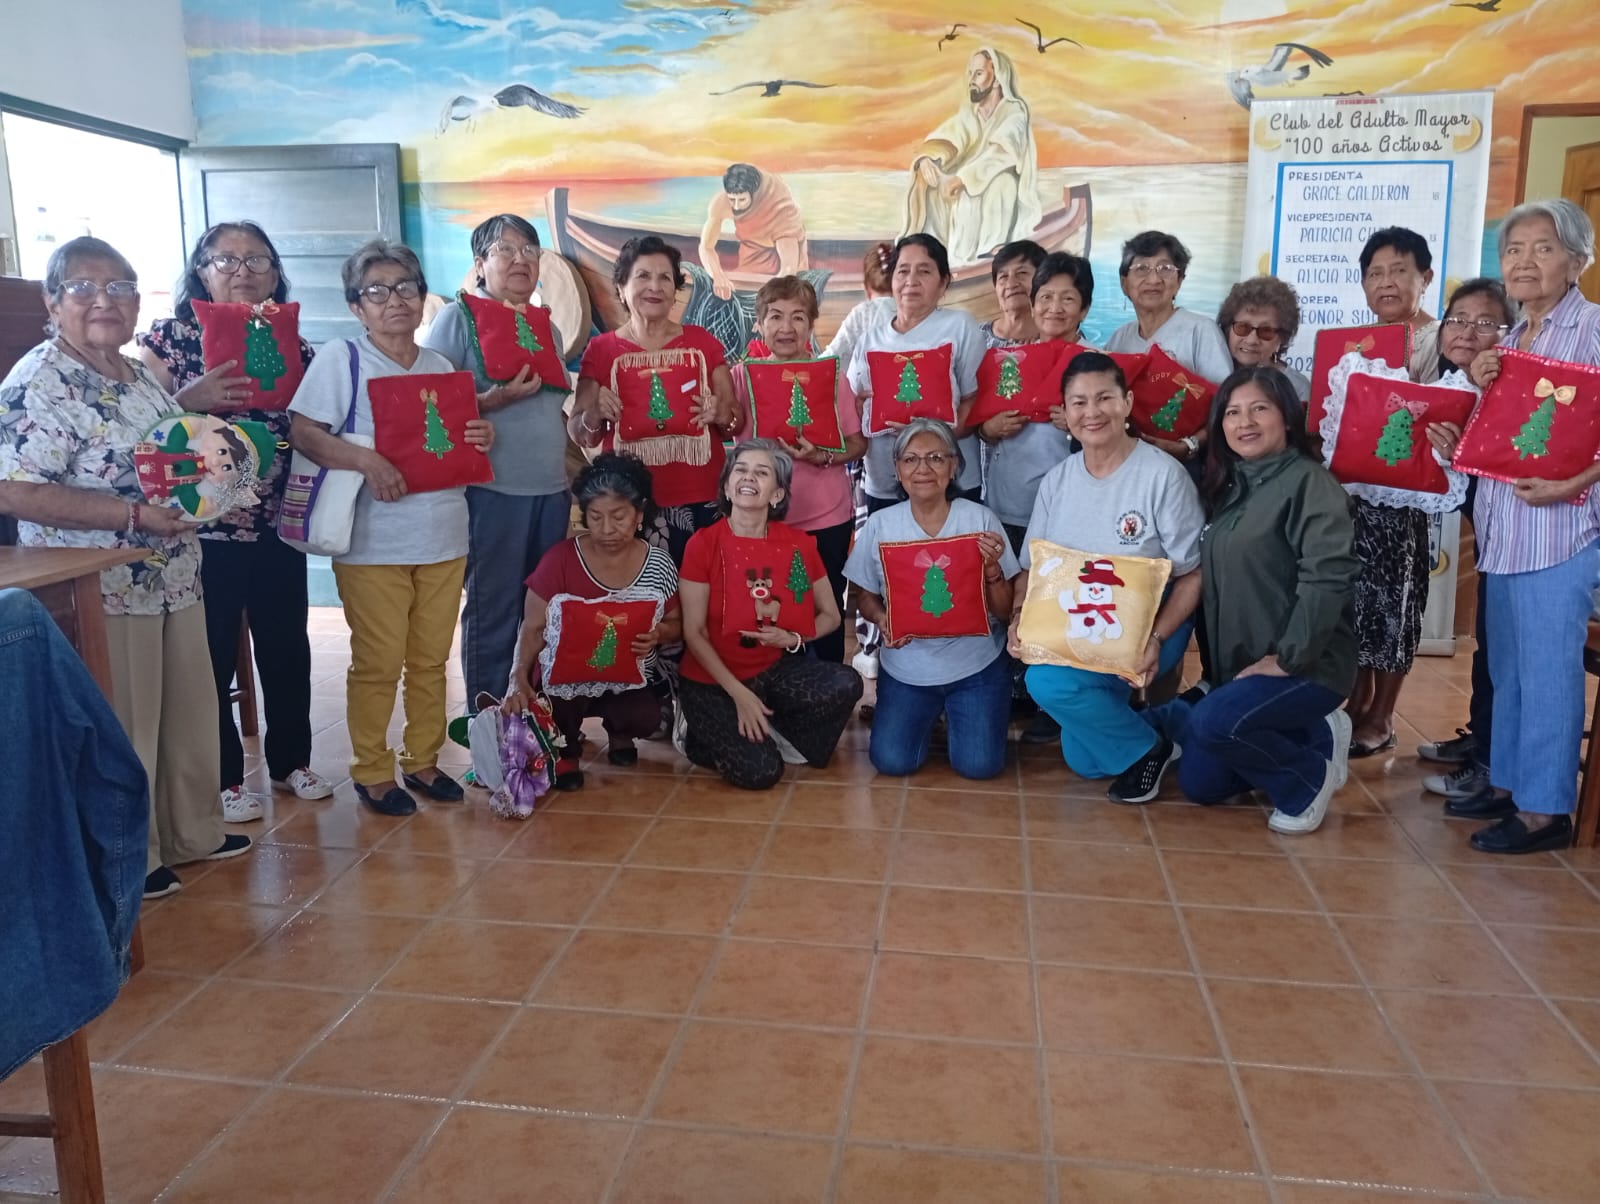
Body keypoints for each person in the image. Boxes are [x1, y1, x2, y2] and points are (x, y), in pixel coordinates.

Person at [0, 236, 252, 898]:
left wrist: (219, 485)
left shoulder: (136, 375)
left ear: (138, 301)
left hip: (174, 572)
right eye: (83, 287)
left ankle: (193, 832)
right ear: (52, 302)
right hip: (100, 584)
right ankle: (131, 858)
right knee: (126, 724)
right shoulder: (39, 382)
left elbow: (175, 455)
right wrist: (133, 516)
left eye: (119, 287)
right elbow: (15, 490)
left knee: (187, 715)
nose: (103, 301)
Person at [287, 239, 496, 817]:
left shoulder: (441, 367)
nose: (394, 300)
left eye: (405, 287)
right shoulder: (343, 360)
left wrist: (481, 436)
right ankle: (372, 771)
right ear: (357, 306)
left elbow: (458, 442)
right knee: (378, 662)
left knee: (430, 660)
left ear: (422, 296)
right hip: (372, 542)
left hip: (444, 535)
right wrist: (367, 461)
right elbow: (304, 431)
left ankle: (422, 760)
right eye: (377, 292)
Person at [138, 221, 331, 823]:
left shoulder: (298, 347)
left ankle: (292, 761)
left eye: (257, 260)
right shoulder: (170, 339)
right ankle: (222, 778)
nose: (243, 270)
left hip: (278, 521)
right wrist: (187, 400)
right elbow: (138, 429)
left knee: (286, 645)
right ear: (201, 271)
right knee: (211, 653)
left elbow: (313, 426)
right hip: (202, 530)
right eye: (226, 260)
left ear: (276, 275)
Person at [1430, 199, 1600, 854]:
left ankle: (1544, 810)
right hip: (1504, 533)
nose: (1525, 261)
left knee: (1549, 672)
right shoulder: (1508, 343)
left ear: (1577, 261)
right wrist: (1459, 442)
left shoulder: (1591, 329)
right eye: (1513, 250)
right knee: (1508, 671)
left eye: (1543, 248)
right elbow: (1501, 446)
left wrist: (1574, 483)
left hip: (1562, 533)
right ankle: (1506, 782)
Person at [1156, 367, 1358, 833]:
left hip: (1306, 665)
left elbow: (1328, 578)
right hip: (1243, 667)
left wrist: (1289, 658)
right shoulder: (1232, 485)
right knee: (1201, 785)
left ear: (1286, 417)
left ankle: (1306, 779)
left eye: (1259, 409)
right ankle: (1316, 732)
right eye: (1232, 413)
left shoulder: (1310, 484)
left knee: (1214, 724)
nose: (1244, 422)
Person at [1006, 352, 1204, 803]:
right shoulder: (1058, 480)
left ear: (1127, 402)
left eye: (1104, 398)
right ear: (1065, 412)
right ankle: (1173, 723)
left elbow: (1193, 574)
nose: (1091, 412)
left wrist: (1156, 638)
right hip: (1073, 627)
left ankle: (1150, 750)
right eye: (1078, 402)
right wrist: (1019, 617)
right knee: (1086, 761)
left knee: (1045, 682)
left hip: (1146, 627)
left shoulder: (1162, 476)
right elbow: (1033, 566)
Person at [421, 214, 573, 709]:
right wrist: (493, 399)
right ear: (480, 264)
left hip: (551, 491)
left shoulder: (546, 328)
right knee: (495, 611)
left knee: (544, 613)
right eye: (505, 250)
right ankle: (488, 727)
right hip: (493, 492)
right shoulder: (456, 319)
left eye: (530, 251)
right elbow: (429, 402)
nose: (520, 260)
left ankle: (536, 725)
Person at [677, 440, 863, 789]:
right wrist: (739, 694)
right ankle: (699, 732)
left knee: (846, 683)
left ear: (777, 495)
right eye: (740, 470)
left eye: (762, 473)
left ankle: (765, 730)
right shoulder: (703, 543)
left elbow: (831, 615)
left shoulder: (798, 543)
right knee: (761, 773)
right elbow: (694, 633)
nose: (749, 478)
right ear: (727, 487)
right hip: (712, 680)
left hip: (771, 670)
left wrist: (793, 638)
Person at [847, 233, 987, 677]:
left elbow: (975, 400)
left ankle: (958, 668)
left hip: (950, 478)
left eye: (924, 271)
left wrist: (929, 441)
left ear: (944, 281)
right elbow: (853, 398)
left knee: (951, 571)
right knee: (888, 570)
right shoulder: (871, 335)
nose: (911, 281)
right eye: (903, 271)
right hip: (884, 477)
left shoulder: (959, 327)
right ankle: (890, 660)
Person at [848, 419, 1017, 779]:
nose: (922, 468)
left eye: (936, 458)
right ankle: (929, 714)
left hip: (975, 665)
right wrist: (881, 619)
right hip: (907, 667)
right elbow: (864, 595)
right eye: (910, 459)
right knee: (892, 762)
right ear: (897, 470)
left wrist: (991, 570)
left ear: (954, 466)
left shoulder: (979, 519)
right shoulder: (881, 524)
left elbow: (1005, 613)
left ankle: (960, 711)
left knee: (979, 766)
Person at [505, 454, 681, 790]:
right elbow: (532, 626)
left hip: (628, 676)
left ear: (639, 514)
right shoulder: (560, 560)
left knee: (645, 716)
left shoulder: (658, 564)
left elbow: (677, 623)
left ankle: (620, 734)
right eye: (596, 517)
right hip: (567, 678)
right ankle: (565, 749)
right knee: (558, 702)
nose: (607, 529)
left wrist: (659, 633)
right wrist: (518, 677)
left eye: (619, 516)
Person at [569, 235, 739, 564]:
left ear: (675, 291)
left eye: (665, 278)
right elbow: (579, 432)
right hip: (629, 504)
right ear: (621, 287)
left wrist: (721, 413)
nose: (655, 287)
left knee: (705, 589)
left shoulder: (702, 343)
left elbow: (736, 419)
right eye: (643, 276)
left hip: (703, 495)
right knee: (643, 591)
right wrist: (593, 414)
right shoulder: (601, 350)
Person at [1415, 279, 1516, 800]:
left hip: (1525, 543)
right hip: (1494, 539)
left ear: (1509, 334)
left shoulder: (1510, 388)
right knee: (1486, 644)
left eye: (1485, 323)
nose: (1466, 332)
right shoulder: (1449, 387)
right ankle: (1481, 740)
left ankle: (1492, 764)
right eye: (1457, 319)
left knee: (1502, 653)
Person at [1345, 227, 1442, 757]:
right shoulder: (1356, 342)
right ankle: (1357, 700)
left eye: (1399, 271)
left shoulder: (1440, 339)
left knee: (1397, 603)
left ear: (1425, 277)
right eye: (1375, 273)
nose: (1386, 282)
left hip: (1406, 498)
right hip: (1355, 493)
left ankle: (1382, 716)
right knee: (1359, 601)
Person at [734, 276, 867, 663]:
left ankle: (826, 688)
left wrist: (821, 455)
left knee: (825, 609)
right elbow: (726, 430)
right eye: (775, 316)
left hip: (826, 517)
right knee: (765, 605)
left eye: (798, 317)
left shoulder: (831, 377)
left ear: (811, 325)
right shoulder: (742, 377)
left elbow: (858, 444)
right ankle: (771, 690)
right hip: (762, 519)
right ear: (760, 324)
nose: (786, 327)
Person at [982, 251, 1091, 549]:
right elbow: (983, 424)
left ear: (1084, 309)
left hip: (1065, 511)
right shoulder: (1010, 360)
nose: (1054, 308)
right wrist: (988, 429)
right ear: (1032, 305)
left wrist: (1077, 426)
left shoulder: (1097, 366)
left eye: (1068, 299)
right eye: (1045, 297)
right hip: (1004, 506)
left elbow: (1119, 438)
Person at [821, 241, 895, 679]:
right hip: (921, 453)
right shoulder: (929, 321)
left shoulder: (863, 314)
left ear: (867, 285)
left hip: (872, 453)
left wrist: (852, 399)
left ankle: (871, 648)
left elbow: (825, 366)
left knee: (871, 551)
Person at [1105, 230, 1235, 471]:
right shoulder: (1119, 339)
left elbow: (1228, 405)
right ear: (1124, 283)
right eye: (1141, 268)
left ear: (1179, 281)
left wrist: (1189, 445)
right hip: (1125, 461)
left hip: (1187, 464)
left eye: (1165, 269)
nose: (1154, 279)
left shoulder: (1201, 331)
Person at [902, 48, 1041, 265]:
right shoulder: (970, 116)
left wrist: (962, 179)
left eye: (978, 73)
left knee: (1003, 183)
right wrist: (926, 160)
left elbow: (1001, 154)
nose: (971, 81)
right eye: (970, 74)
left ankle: (987, 260)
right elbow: (947, 138)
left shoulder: (1014, 113)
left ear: (997, 78)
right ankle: (937, 258)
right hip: (965, 189)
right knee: (931, 181)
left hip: (996, 192)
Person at [698, 163, 809, 300]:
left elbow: (788, 269)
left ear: (754, 194)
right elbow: (706, 247)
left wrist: (765, 298)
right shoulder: (721, 202)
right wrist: (718, 276)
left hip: (780, 261)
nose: (736, 206)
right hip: (750, 253)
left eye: (742, 200)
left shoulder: (780, 209)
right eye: (732, 199)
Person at [1217, 275, 1311, 402]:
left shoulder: (1297, 388)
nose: (1251, 340)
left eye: (1266, 331)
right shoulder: (1209, 371)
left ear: (1281, 339)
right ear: (1228, 329)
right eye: (1243, 327)